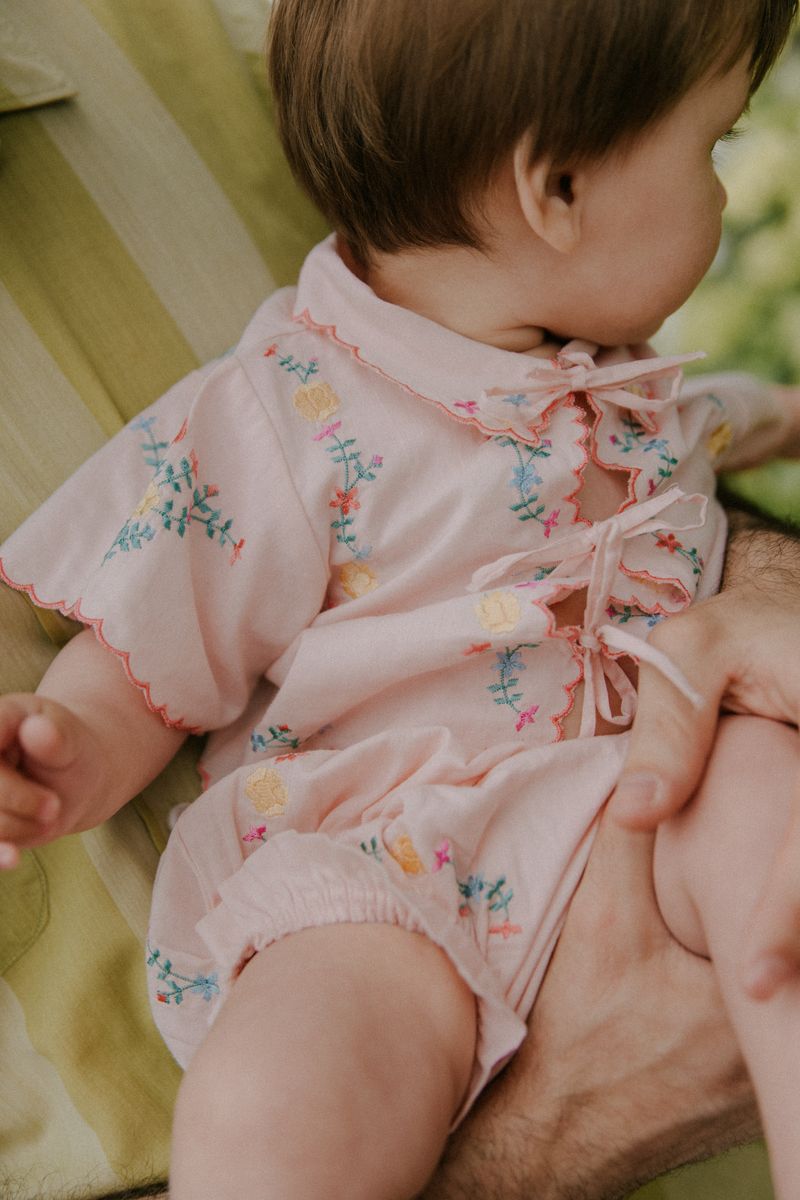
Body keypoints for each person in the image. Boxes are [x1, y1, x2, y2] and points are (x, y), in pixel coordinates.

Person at [1, 2, 799, 1198]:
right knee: (278, 1102)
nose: (720, 193)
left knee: (778, 823)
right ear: (556, 190)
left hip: (647, 804)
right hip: (394, 865)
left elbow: (732, 419)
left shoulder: (630, 390)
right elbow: (148, 647)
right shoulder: (286, 411)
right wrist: (67, 753)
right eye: (713, 145)